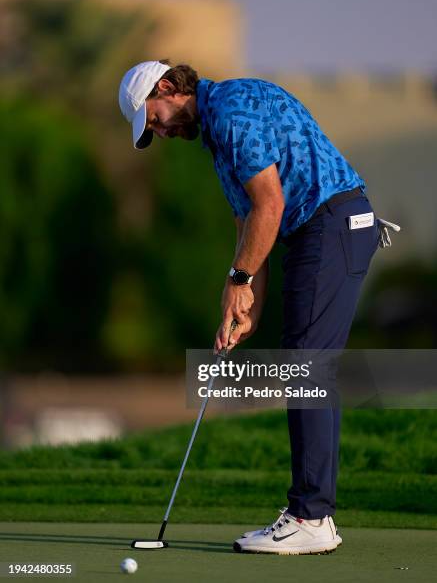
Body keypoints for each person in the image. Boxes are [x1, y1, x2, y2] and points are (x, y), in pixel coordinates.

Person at [118, 60, 379, 555]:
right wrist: (242, 299)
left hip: (331, 223)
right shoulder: (218, 129)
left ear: (169, 88)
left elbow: (270, 205)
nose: (161, 132)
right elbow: (248, 222)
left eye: (154, 119)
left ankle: (312, 516)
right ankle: (312, 511)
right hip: (323, 228)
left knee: (307, 366)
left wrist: (241, 280)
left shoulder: (232, 111)